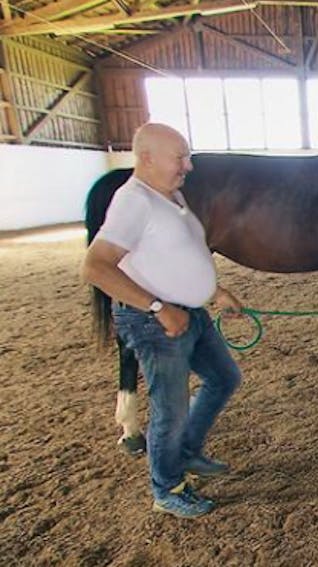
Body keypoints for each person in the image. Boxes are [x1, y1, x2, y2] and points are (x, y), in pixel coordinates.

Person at [81, 123, 243, 519]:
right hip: (155, 321)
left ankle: (185, 452)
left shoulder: (170, 195)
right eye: (180, 158)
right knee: (170, 410)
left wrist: (214, 292)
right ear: (147, 158)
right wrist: (157, 307)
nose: (188, 165)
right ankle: (167, 487)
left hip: (190, 312)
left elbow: (177, 255)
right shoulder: (133, 202)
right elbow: (95, 267)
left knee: (224, 378)